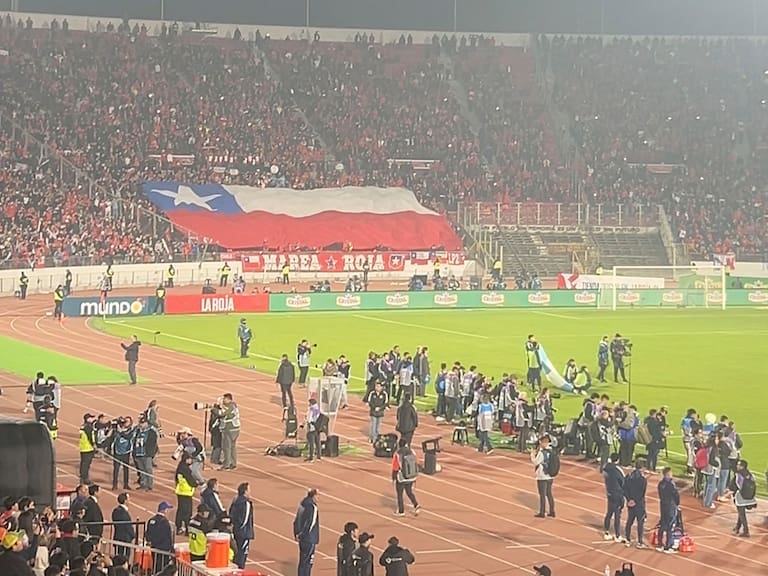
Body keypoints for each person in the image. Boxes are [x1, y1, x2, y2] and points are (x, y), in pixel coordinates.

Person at [294, 489, 320, 576]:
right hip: (309, 539)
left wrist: (297, 534)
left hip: (302, 539)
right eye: (317, 495)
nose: (318, 498)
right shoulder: (313, 507)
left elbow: (296, 520)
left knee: (302, 562)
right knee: (308, 563)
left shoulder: (302, 504)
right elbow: (310, 524)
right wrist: (303, 535)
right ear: (313, 496)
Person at [391, 439, 420, 517]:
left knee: (400, 494)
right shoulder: (412, 451)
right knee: (409, 491)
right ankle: (416, 505)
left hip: (401, 477)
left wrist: (393, 478)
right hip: (411, 476)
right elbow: (417, 462)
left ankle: (401, 511)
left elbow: (395, 468)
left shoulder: (397, 454)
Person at [624, 459, 648, 548]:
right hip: (639, 504)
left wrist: (629, 499)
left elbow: (624, 489)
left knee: (629, 521)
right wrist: (635, 501)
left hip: (630, 503)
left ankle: (627, 539)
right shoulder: (642, 480)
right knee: (640, 523)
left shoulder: (628, 476)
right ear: (642, 468)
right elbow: (642, 493)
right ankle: (640, 542)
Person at [602, 453, 626, 542]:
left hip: (609, 493)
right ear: (618, 460)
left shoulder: (606, 467)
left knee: (609, 513)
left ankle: (606, 532)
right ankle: (617, 535)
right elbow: (623, 481)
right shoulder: (617, 470)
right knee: (617, 515)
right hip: (617, 494)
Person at [230, 482, 254, 569]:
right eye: (249, 490)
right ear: (245, 491)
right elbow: (245, 519)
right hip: (243, 533)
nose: (250, 492)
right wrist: (241, 529)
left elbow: (231, 513)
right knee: (242, 554)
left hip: (236, 531)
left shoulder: (235, 500)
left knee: (236, 552)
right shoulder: (246, 503)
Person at [656, 467, 680, 554]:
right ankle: (668, 546)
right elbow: (676, 496)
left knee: (663, 524)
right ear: (668, 474)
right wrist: (677, 504)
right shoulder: (671, 484)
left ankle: (660, 544)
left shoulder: (660, 484)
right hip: (670, 506)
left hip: (663, 506)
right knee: (670, 526)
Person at [531, 434, 555, 518]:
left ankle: (542, 512)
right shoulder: (552, 451)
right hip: (550, 476)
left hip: (542, 476)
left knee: (542, 495)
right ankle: (552, 511)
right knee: (549, 494)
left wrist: (532, 455)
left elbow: (535, 462)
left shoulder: (542, 453)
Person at [145, 502, 174, 573]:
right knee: (163, 568)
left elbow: (147, 533)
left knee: (155, 566)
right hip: (163, 550)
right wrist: (171, 548)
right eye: (167, 509)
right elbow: (167, 536)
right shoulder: (164, 522)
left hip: (154, 548)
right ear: (163, 510)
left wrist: (151, 543)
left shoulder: (151, 520)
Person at [733, 459, 757, 538]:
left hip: (741, 497)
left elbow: (736, 485)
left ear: (742, 466)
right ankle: (737, 527)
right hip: (750, 497)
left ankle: (746, 531)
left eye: (739, 465)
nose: (737, 466)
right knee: (741, 513)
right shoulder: (750, 474)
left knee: (742, 514)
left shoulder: (738, 475)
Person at [133, 415, 158, 490]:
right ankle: (143, 483)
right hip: (138, 453)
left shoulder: (151, 432)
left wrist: (151, 454)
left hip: (146, 454)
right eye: (140, 423)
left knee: (148, 469)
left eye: (143, 423)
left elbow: (153, 444)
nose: (141, 424)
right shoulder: (137, 431)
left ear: (147, 423)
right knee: (141, 470)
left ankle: (149, 485)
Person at [174, 453, 196, 535]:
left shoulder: (180, 467)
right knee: (187, 512)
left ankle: (179, 527)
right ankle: (187, 529)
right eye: (190, 459)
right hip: (186, 493)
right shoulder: (185, 469)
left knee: (180, 510)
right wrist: (196, 484)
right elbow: (191, 481)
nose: (191, 460)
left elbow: (176, 478)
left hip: (180, 491)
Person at [220, 393, 241, 470]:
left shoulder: (229, 407)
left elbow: (222, 414)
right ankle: (233, 463)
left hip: (230, 429)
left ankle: (227, 465)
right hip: (235, 428)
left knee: (227, 447)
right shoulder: (234, 406)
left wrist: (214, 409)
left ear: (229, 399)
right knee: (232, 447)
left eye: (225, 399)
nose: (223, 400)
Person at [111, 493, 135, 558]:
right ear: (125, 501)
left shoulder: (115, 511)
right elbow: (127, 526)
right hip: (124, 540)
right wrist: (133, 535)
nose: (130, 500)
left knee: (118, 557)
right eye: (128, 499)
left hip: (118, 538)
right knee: (124, 558)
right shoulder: (123, 513)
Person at [78, 413, 97, 484]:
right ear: (88, 419)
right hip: (88, 448)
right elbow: (90, 437)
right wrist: (94, 445)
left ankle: (82, 477)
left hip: (83, 448)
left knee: (83, 463)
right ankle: (85, 478)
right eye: (91, 418)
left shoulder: (83, 426)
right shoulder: (88, 427)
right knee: (86, 464)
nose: (92, 419)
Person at [304, 398, 322, 462]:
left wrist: (305, 421)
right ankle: (319, 456)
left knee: (311, 443)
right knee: (318, 443)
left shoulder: (311, 410)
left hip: (312, 428)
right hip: (318, 428)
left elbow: (309, 419)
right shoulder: (318, 409)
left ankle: (311, 457)